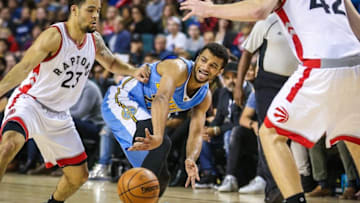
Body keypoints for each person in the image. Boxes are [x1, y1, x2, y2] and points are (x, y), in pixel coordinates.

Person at [180, 0, 360, 203]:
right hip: (356, 64)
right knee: (354, 138)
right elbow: (357, 27)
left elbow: (258, 9)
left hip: (321, 67)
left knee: (270, 134)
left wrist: (210, 9)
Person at [0, 0, 150, 203]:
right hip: (31, 102)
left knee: (79, 177)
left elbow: (111, 62)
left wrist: (134, 71)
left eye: (98, 11)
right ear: (74, 10)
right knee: (9, 145)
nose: (95, 15)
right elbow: (25, 66)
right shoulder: (54, 35)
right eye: (90, 10)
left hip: (60, 114)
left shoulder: (94, 40)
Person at [101, 42, 229, 197]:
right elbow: (160, 99)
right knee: (162, 144)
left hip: (145, 113)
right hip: (122, 98)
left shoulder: (204, 97)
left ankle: (142, 198)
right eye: (203, 60)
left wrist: (191, 158)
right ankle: (137, 197)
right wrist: (159, 136)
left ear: (219, 71)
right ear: (197, 58)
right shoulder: (178, 68)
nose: (205, 67)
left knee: (161, 179)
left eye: (213, 65)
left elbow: (196, 133)